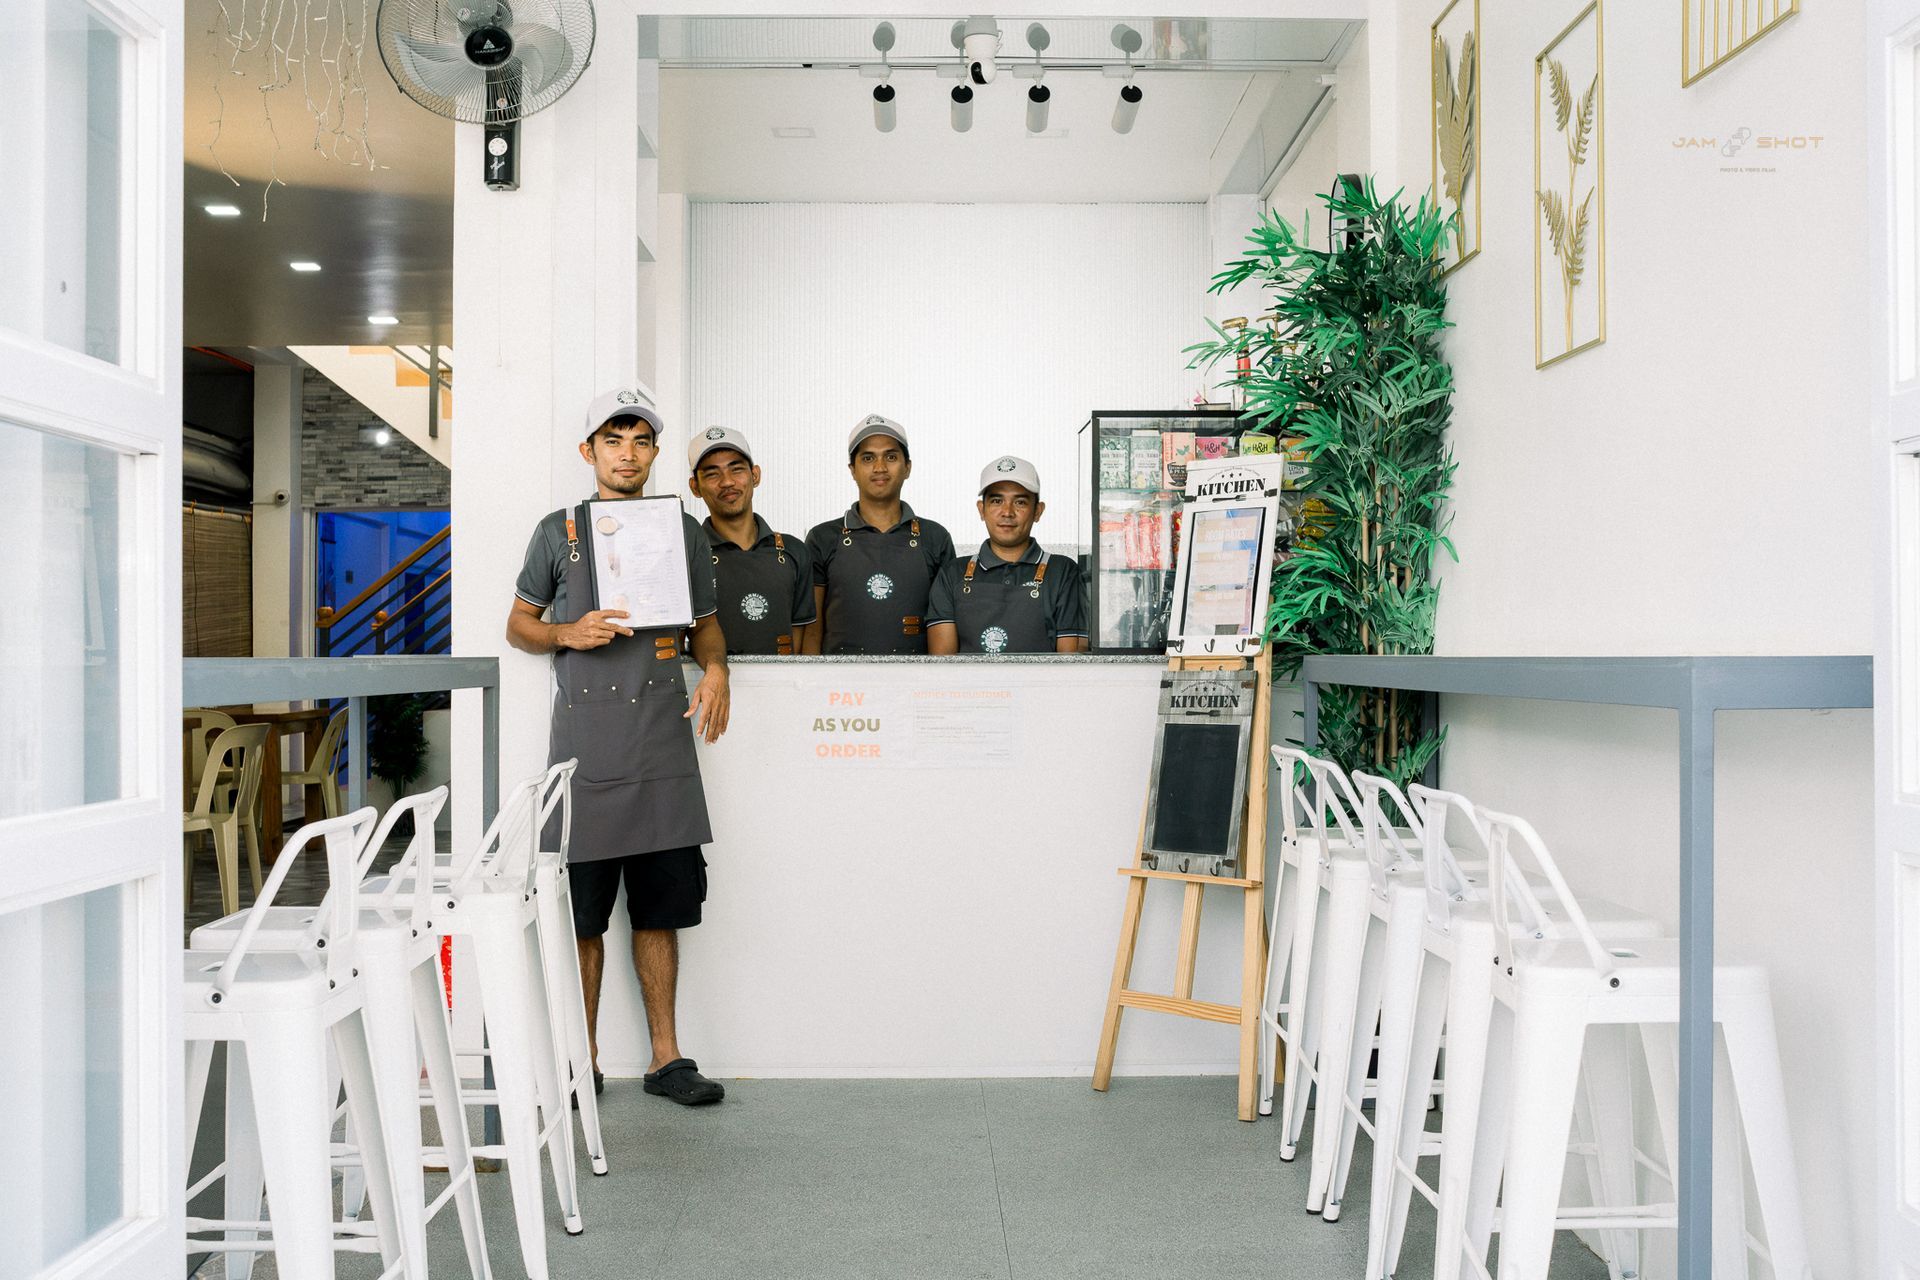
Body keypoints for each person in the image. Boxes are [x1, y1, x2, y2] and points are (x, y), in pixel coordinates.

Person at [504, 387, 729, 1107]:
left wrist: (717, 667)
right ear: (589, 452)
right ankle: (583, 1059)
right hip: (586, 754)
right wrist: (568, 633)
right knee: (583, 916)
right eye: (612, 439)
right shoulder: (558, 532)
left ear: (655, 453)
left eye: (639, 440)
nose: (626, 453)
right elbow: (519, 624)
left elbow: (706, 623)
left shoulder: (682, 530)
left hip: (662, 745)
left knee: (661, 911)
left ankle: (667, 1059)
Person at [805, 414, 955, 654]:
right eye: (868, 458)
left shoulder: (935, 538)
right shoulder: (822, 538)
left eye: (891, 457)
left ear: (907, 467)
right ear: (852, 469)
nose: (880, 467)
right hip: (840, 687)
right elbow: (812, 630)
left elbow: (947, 630)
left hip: (916, 686)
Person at [927, 455, 1088, 655]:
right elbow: (942, 667)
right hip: (972, 687)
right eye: (996, 500)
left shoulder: (1063, 571)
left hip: (1042, 687)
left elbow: (1071, 665)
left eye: (1020, 502)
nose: (1007, 512)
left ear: (1038, 511)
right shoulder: (953, 574)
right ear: (981, 510)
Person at [686, 425, 816, 656]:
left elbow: (802, 644)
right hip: (714, 686)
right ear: (695, 486)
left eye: (736, 469)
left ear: (755, 475)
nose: (727, 482)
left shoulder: (794, 552)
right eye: (712, 473)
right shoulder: (687, 555)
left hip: (782, 688)